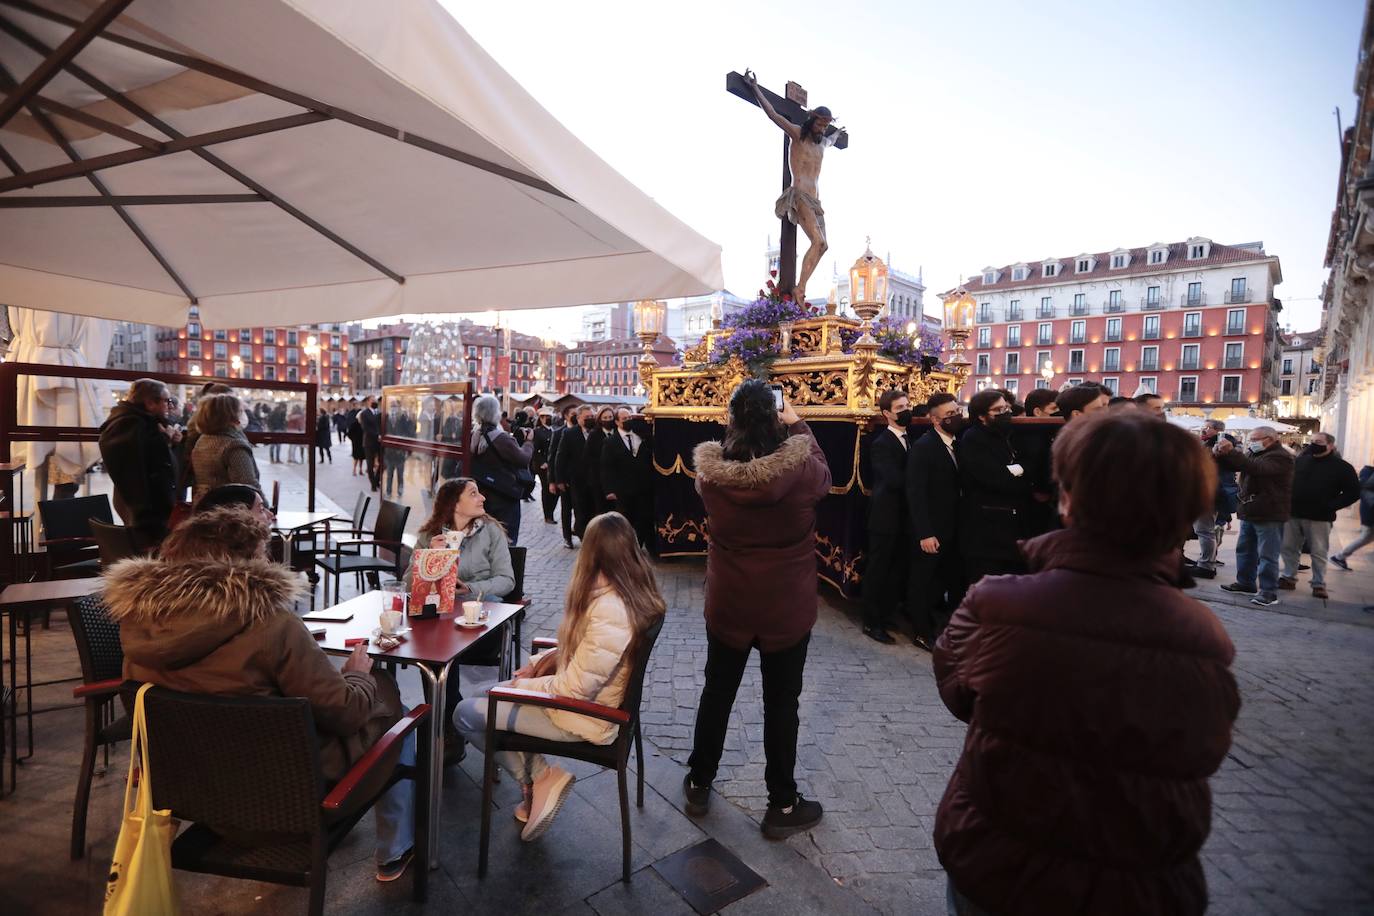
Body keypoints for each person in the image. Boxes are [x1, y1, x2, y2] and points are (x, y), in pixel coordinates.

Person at [933, 409, 1239, 915]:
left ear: (1069, 498)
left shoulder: (999, 603)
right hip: (1136, 884)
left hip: (1002, 862)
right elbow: (1204, 748)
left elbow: (959, 689)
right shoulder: (1203, 635)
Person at [103, 504, 419, 882]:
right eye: (260, 554)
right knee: (396, 708)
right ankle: (394, 850)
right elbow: (346, 712)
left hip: (197, 794)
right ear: (243, 564)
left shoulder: (139, 626)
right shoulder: (271, 625)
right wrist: (361, 676)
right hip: (291, 799)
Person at [456, 512, 665, 841]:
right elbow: (581, 652)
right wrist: (537, 663)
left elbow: (575, 688)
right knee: (485, 691)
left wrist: (520, 685)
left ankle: (540, 778)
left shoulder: (610, 607)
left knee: (465, 713)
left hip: (584, 717)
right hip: (584, 704)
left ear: (594, 554)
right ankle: (539, 783)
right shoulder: (626, 592)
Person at [684, 381, 830, 838]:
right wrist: (799, 422)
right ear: (775, 418)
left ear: (732, 419)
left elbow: (728, 459)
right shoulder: (803, 471)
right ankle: (782, 804)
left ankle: (699, 780)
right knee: (781, 702)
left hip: (729, 600)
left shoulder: (710, 476)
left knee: (717, 692)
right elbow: (825, 472)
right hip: (785, 605)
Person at [410, 477, 515, 760]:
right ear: (454, 503)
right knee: (432, 647)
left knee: (441, 647)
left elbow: (507, 580)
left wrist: (471, 589)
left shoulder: (490, 532)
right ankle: (443, 723)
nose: (482, 498)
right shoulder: (429, 535)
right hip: (442, 621)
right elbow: (410, 583)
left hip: (483, 623)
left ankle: (447, 723)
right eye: (474, 494)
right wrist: (430, 556)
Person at [743, 70, 835, 304]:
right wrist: (755, 88)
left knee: (823, 246)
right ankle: (799, 289)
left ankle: (801, 286)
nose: (822, 129)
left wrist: (838, 134)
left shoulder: (822, 144)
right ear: (812, 120)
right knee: (819, 241)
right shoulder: (797, 135)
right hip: (800, 195)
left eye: (826, 126)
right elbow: (774, 115)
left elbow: (833, 140)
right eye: (820, 124)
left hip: (816, 202)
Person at [906, 393, 965, 651]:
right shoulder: (924, 447)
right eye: (950, 414)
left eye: (957, 411)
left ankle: (936, 624)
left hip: (951, 526)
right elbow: (915, 493)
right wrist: (925, 533)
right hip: (931, 530)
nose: (956, 416)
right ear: (935, 419)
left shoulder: (957, 442)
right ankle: (921, 631)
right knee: (923, 582)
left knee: (941, 581)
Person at [1215, 426, 1295, 607]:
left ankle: (1268, 592)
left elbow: (1256, 468)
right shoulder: (1254, 453)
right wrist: (1222, 454)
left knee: (1267, 555)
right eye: (1251, 440)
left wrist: (1232, 452)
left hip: (1269, 512)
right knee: (1245, 549)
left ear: (1271, 439)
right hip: (1250, 509)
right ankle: (1245, 583)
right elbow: (1238, 465)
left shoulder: (1281, 457)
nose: (1252, 443)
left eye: (1256, 439)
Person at [958, 389, 1031, 583]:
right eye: (998, 410)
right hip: (987, 520)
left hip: (1008, 518)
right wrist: (1017, 474)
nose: (1005, 413)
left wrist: (1016, 472)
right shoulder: (973, 438)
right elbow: (992, 476)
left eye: (1006, 408)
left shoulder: (1004, 434)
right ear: (982, 416)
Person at [1276, 432, 1360, 599]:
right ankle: (1288, 577)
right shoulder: (1299, 461)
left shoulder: (1342, 467)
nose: (1314, 444)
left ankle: (1318, 583)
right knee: (1289, 547)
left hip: (1320, 517)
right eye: (1313, 441)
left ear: (1330, 445)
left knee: (1319, 551)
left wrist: (1331, 506)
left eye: (1319, 442)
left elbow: (1353, 492)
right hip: (1293, 513)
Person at [98, 378, 181, 548]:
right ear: (150, 403)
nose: (169, 406)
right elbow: (134, 466)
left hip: (151, 510)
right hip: (145, 514)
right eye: (166, 401)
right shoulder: (128, 425)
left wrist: (170, 442)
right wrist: (164, 439)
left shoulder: (137, 422)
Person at [861, 388, 912, 644]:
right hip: (884, 516)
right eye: (900, 409)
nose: (906, 411)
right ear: (887, 414)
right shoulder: (882, 443)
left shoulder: (908, 438)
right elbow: (891, 478)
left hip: (902, 516)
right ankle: (871, 621)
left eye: (907, 406)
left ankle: (885, 613)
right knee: (878, 570)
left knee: (895, 569)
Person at [470, 394, 534, 544]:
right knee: (506, 537)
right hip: (503, 494)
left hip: (481, 491)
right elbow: (523, 459)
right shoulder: (501, 438)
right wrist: (528, 443)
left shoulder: (474, 435)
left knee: (484, 536)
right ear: (495, 413)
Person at [1188, 420, 1240, 580]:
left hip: (1209, 492)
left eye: (1207, 427)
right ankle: (1207, 562)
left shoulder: (1221, 445)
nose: (1204, 429)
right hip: (1211, 491)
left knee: (1205, 530)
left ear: (1217, 430)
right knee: (1206, 530)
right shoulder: (1211, 444)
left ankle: (1206, 565)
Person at [600, 407, 656, 553]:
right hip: (623, 489)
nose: (628, 422)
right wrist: (609, 489)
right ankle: (625, 549)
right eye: (624, 419)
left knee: (644, 518)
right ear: (617, 422)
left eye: (630, 418)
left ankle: (641, 545)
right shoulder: (610, 442)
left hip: (643, 487)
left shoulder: (641, 436)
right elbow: (607, 467)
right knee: (626, 520)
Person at [189, 393, 260, 505]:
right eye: (240, 411)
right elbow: (248, 485)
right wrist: (264, 509)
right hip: (229, 510)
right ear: (231, 415)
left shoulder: (203, 439)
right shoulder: (234, 444)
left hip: (205, 506)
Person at [1019, 387, 1061, 537]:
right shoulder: (1031, 437)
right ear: (1037, 412)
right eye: (1054, 408)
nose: (1058, 413)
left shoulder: (1048, 434)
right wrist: (1040, 490)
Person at [555, 405, 598, 543]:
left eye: (592, 417)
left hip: (593, 479)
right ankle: (576, 536)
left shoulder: (596, 432)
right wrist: (559, 479)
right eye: (587, 417)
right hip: (576, 479)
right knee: (578, 510)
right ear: (579, 418)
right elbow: (560, 456)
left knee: (592, 509)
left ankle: (589, 536)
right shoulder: (569, 433)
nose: (590, 419)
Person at [547, 405, 580, 547]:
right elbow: (553, 457)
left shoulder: (582, 431)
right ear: (566, 416)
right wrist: (553, 481)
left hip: (579, 478)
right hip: (564, 479)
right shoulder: (559, 432)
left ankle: (578, 529)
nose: (575, 416)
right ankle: (567, 537)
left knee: (580, 508)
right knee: (566, 509)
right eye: (573, 414)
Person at [1331, 464, 1374, 570]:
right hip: (1370, 511)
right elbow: (1365, 491)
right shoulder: (1369, 476)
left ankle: (1340, 557)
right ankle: (1339, 557)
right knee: (1366, 536)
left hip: (1369, 510)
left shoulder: (1368, 474)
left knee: (1367, 537)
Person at [532, 408, 557, 525]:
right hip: (543, 465)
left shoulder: (554, 430)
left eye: (550, 417)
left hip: (553, 464)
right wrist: (542, 462)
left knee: (554, 490)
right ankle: (548, 515)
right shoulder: (537, 431)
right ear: (541, 418)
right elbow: (535, 449)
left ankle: (551, 511)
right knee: (547, 489)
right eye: (546, 417)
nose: (549, 419)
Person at [358, 398, 383, 491]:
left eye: (376, 400)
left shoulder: (380, 413)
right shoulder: (364, 414)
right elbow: (365, 428)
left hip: (380, 442)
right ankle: (373, 484)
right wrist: (378, 435)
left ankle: (376, 480)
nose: (375, 402)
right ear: (368, 402)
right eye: (372, 401)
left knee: (383, 463)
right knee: (370, 464)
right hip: (369, 442)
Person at [347, 405, 367, 477]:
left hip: (362, 443)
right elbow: (349, 433)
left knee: (361, 458)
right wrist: (353, 439)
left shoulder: (364, 424)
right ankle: (354, 470)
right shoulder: (354, 424)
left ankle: (360, 469)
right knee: (356, 458)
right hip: (356, 443)